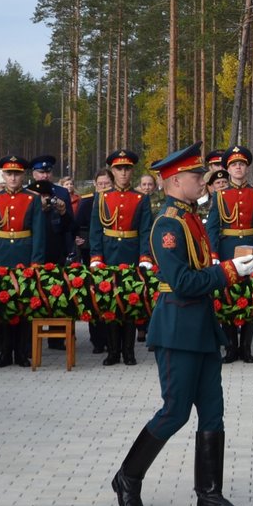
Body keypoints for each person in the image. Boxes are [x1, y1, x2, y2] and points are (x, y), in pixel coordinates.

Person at [109, 143, 253, 506]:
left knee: (213, 414)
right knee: (175, 412)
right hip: (177, 328)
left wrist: (236, 268)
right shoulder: (168, 224)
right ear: (176, 182)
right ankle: (127, 478)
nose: (202, 182)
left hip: (202, 329)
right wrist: (231, 271)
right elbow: (181, 281)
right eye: (197, 176)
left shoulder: (190, 217)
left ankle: (209, 497)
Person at [0, 156, 44, 368]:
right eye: (9, 174)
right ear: (3, 175)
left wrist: (36, 261)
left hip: (24, 255)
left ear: (23, 175)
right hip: (2, 256)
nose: (13, 177)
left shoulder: (32, 198)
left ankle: (22, 352)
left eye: (17, 173)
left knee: (24, 306)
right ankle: (5, 351)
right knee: (3, 305)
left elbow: (39, 233)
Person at [209, 145, 253, 364]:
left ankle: (246, 348)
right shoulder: (220, 195)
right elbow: (213, 227)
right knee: (227, 299)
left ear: (247, 168)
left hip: (252, 249)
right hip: (227, 250)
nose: (238, 168)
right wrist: (214, 253)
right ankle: (230, 347)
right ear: (228, 169)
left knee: (250, 297)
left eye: (241, 164)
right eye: (234, 165)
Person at [90, 149, 146, 366]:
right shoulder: (102, 198)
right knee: (111, 303)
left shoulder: (140, 198)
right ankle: (113, 351)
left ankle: (129, 351)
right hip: (110, 252)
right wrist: (96, 256)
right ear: (112, 171)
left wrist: (145, 257)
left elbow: (145, 230)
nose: (123, 172)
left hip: (131, 253)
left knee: (130, 303)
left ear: (132, 171)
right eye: (119, 168)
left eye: (127, 168)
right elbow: (95, 230)